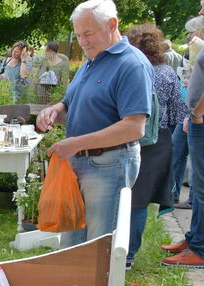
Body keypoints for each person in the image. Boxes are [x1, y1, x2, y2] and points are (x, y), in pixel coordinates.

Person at [36, 0, 153, 249]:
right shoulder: (91, 60)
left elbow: (134, 127)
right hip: (80, 162)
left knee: (97, 247)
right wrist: (55, 110)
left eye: (88, 33)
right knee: (72, 242)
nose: (83, 41)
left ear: (112, 25)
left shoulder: (131, 64)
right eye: (78, 35)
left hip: (109, 163)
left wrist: (76, 143)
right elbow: (70, 101)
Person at [124, 23, 188, 269]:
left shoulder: (130, 70)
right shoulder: (167, 73)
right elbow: (177, 113)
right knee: (139, 200)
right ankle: (129, 256)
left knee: (120, 195)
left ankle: (113, 250)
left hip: (126, 136)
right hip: (157, 140)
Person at [160, 0, 204, 267]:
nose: (200, 13)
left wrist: (197, 114)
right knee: (198, 187)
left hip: (201, 120)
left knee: (201, 186)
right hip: (197, 120)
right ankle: (193, 238)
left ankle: (199, 249)